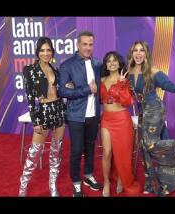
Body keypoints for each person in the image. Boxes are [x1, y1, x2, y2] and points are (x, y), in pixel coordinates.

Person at [127, 40, 175, 196]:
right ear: (132, 53)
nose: (139, 53)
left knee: (150, 145)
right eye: (136, 50)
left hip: (154, 110)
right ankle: (150, 185)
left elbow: (170, 86)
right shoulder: (129, 71)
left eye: (142, 50)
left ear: (146, 54)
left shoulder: (153, 71)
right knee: (143, 148)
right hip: (143, 112)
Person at [19, 37, 66, 197]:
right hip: (43, 111)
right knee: (34, 152)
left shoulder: (55, 70)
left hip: (59, 110)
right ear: (37, 52)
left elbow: (59, 91)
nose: (46, 53)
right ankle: (23, 186)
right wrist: (35, 120)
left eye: (48, 50)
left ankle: (53, 185)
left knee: (56, 150)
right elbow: (30, 98)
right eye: (42, 50)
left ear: (52, 52)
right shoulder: (30, 70)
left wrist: (67, 87)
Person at [58, 31, 102, 197]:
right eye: (84, 44)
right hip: (76, 115)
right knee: (77, 150)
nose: (88, 48)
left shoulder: (98, 64)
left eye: (90, 44)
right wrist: (86, 90)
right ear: (78, 45)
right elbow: (62, 91)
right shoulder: (67, 65)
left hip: (93, 115)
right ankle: (76, 182)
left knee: (90, 147)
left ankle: (88, 176)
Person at [100, 51, 141, 197]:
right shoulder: (102, 79)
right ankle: (106, 181)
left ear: (119, 63)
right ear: (106, 64)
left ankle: (121, 179)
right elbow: (99, 98)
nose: (112, 63)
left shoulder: (125, 79)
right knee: (107, 152)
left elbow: (128, 102)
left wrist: (123, 86)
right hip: (106, 119)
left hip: (122, 119)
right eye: (109, 61)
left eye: (115, 60)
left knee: (122, 153)